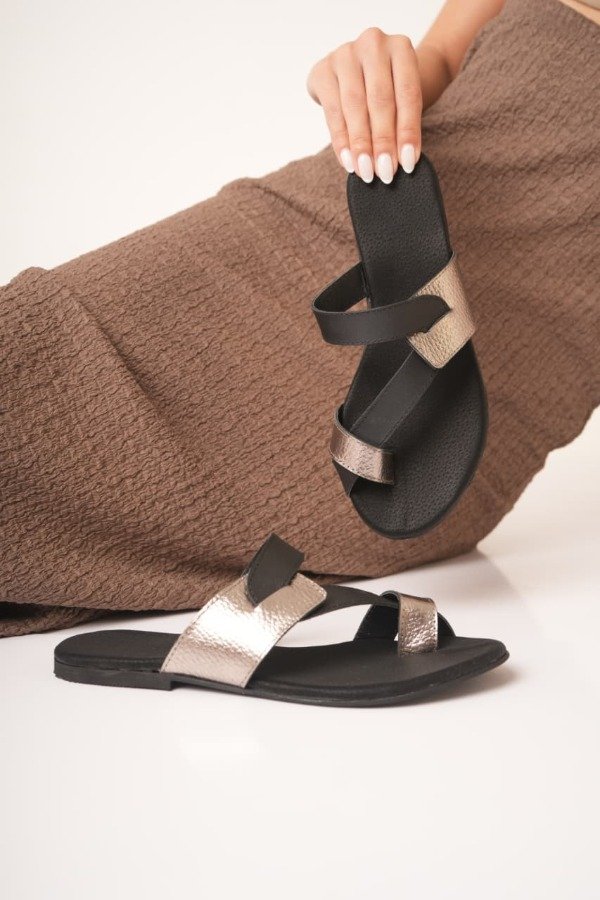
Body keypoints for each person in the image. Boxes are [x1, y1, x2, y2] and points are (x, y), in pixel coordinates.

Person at [1, 0, 598, 637]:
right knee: (35, 350)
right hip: (378, 222)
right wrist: (377, 75)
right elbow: (445, 59)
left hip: (443, 423)